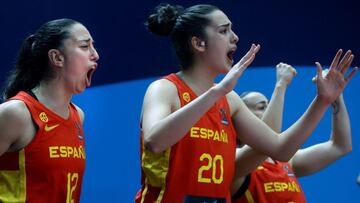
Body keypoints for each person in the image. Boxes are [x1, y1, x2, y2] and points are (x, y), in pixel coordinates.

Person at [135, 3, 357, 203]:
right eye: (223, 31)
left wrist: (323, 100)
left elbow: (281, 148)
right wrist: (216, 91)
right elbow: (155, 141)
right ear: (198, 43)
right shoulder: (165, 89)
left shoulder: (229, 100)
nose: (235, 37)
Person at [0, 18, 99, 203]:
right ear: (57, 58)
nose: (95, 55)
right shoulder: (17, 113)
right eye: (85, 46)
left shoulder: (78, 115)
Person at [231, 65, 353, 203]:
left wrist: (336, 99)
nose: (271, 109)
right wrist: (281, 84)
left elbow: (340, 146)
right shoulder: (234, 161)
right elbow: (268, 139)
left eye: (270, 105)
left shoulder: (287, 161)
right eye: (262, 107)